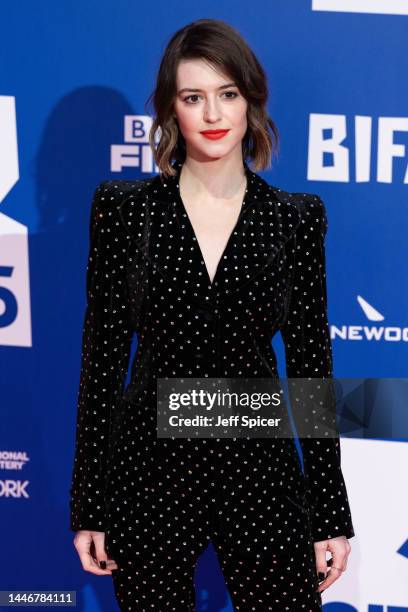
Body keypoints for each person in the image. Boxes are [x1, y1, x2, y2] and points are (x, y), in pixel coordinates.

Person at [69, 18, 355, 611]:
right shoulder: (125, 212)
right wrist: (89, 505)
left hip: (259, 468)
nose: (213, 113)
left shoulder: (294, 218)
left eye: (227, 93)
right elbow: (101, 364)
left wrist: (329, 512)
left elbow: (311, 370)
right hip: (149, 472)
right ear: (173, 109)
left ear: (251, 100)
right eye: (193, 96)